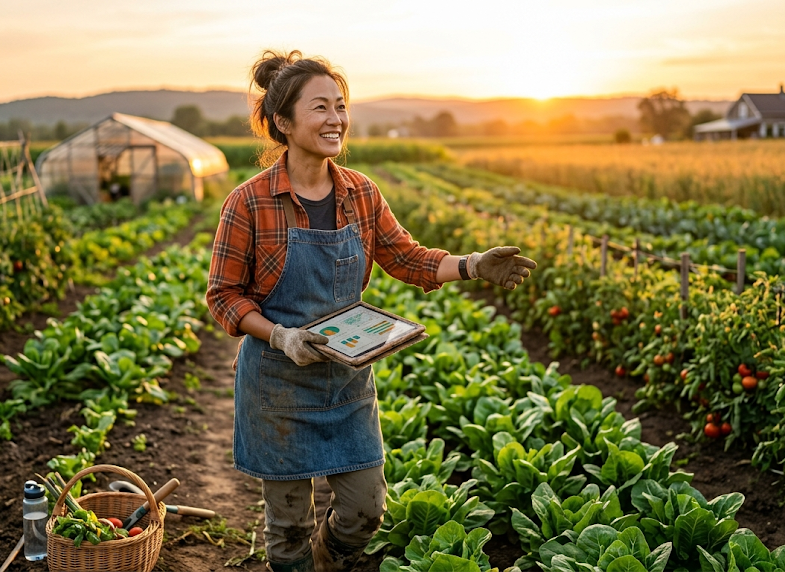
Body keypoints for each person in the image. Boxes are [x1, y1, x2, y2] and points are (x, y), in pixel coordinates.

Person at [206, 50, 537, 572]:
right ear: (282, 123)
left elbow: (407, 257)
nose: (336, 119)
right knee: (287, 528)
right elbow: (224, 297)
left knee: (366, 510)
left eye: (340, 105)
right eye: (319, 107)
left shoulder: (360, 192)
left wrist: (473, 264)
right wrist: (283, 337)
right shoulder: (248, 203)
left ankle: (327, 562)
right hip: (277, 382)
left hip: (346, 379)